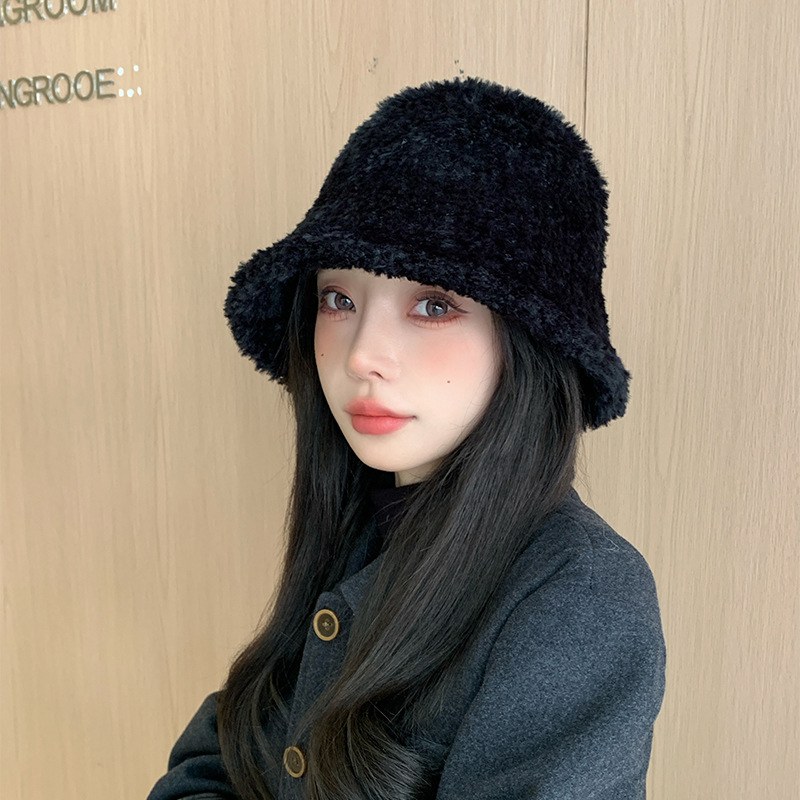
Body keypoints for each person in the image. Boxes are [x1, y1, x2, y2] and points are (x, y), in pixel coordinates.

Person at [147, 75, 667, 800]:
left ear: (528, 342)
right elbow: (215, 762)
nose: (362, 354)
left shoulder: (578, 597)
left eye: (432, 305)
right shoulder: (358, 528)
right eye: (338, 299)